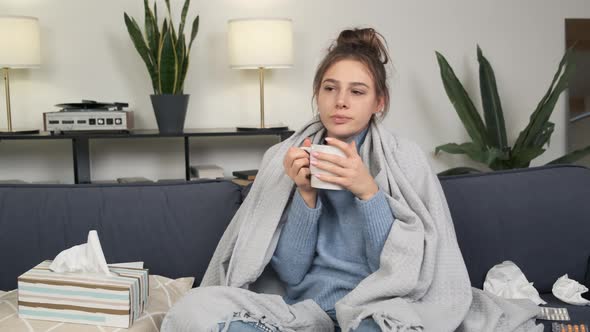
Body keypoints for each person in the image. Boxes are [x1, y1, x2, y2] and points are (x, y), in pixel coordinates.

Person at [161, 27, 542, 332]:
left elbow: (406, 275)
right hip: (301, 310)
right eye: (330, 88)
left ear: (379, 102)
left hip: (376, 308)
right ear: (318, 94)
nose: (340, 101)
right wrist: (305, 195)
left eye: (357, 91)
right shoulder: (284, 158)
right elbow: (290, 273)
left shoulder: (404, 159)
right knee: (192, 311)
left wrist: (367, 191)